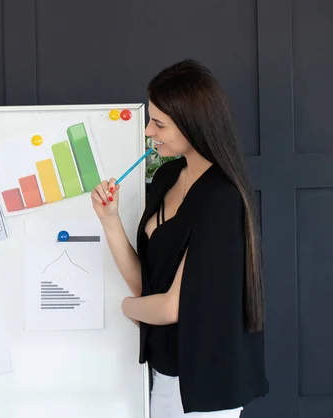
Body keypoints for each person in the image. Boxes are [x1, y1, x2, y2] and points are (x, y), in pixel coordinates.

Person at [91, 59, 269, 417]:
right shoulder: (167, 176)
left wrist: (122, 309)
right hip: (168, 372)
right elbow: (148, 285)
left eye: (158, 123)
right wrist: (110, 221)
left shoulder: (221, 198)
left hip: (203, 385)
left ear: (193, 125)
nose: (147, 132)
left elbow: (172, 306)